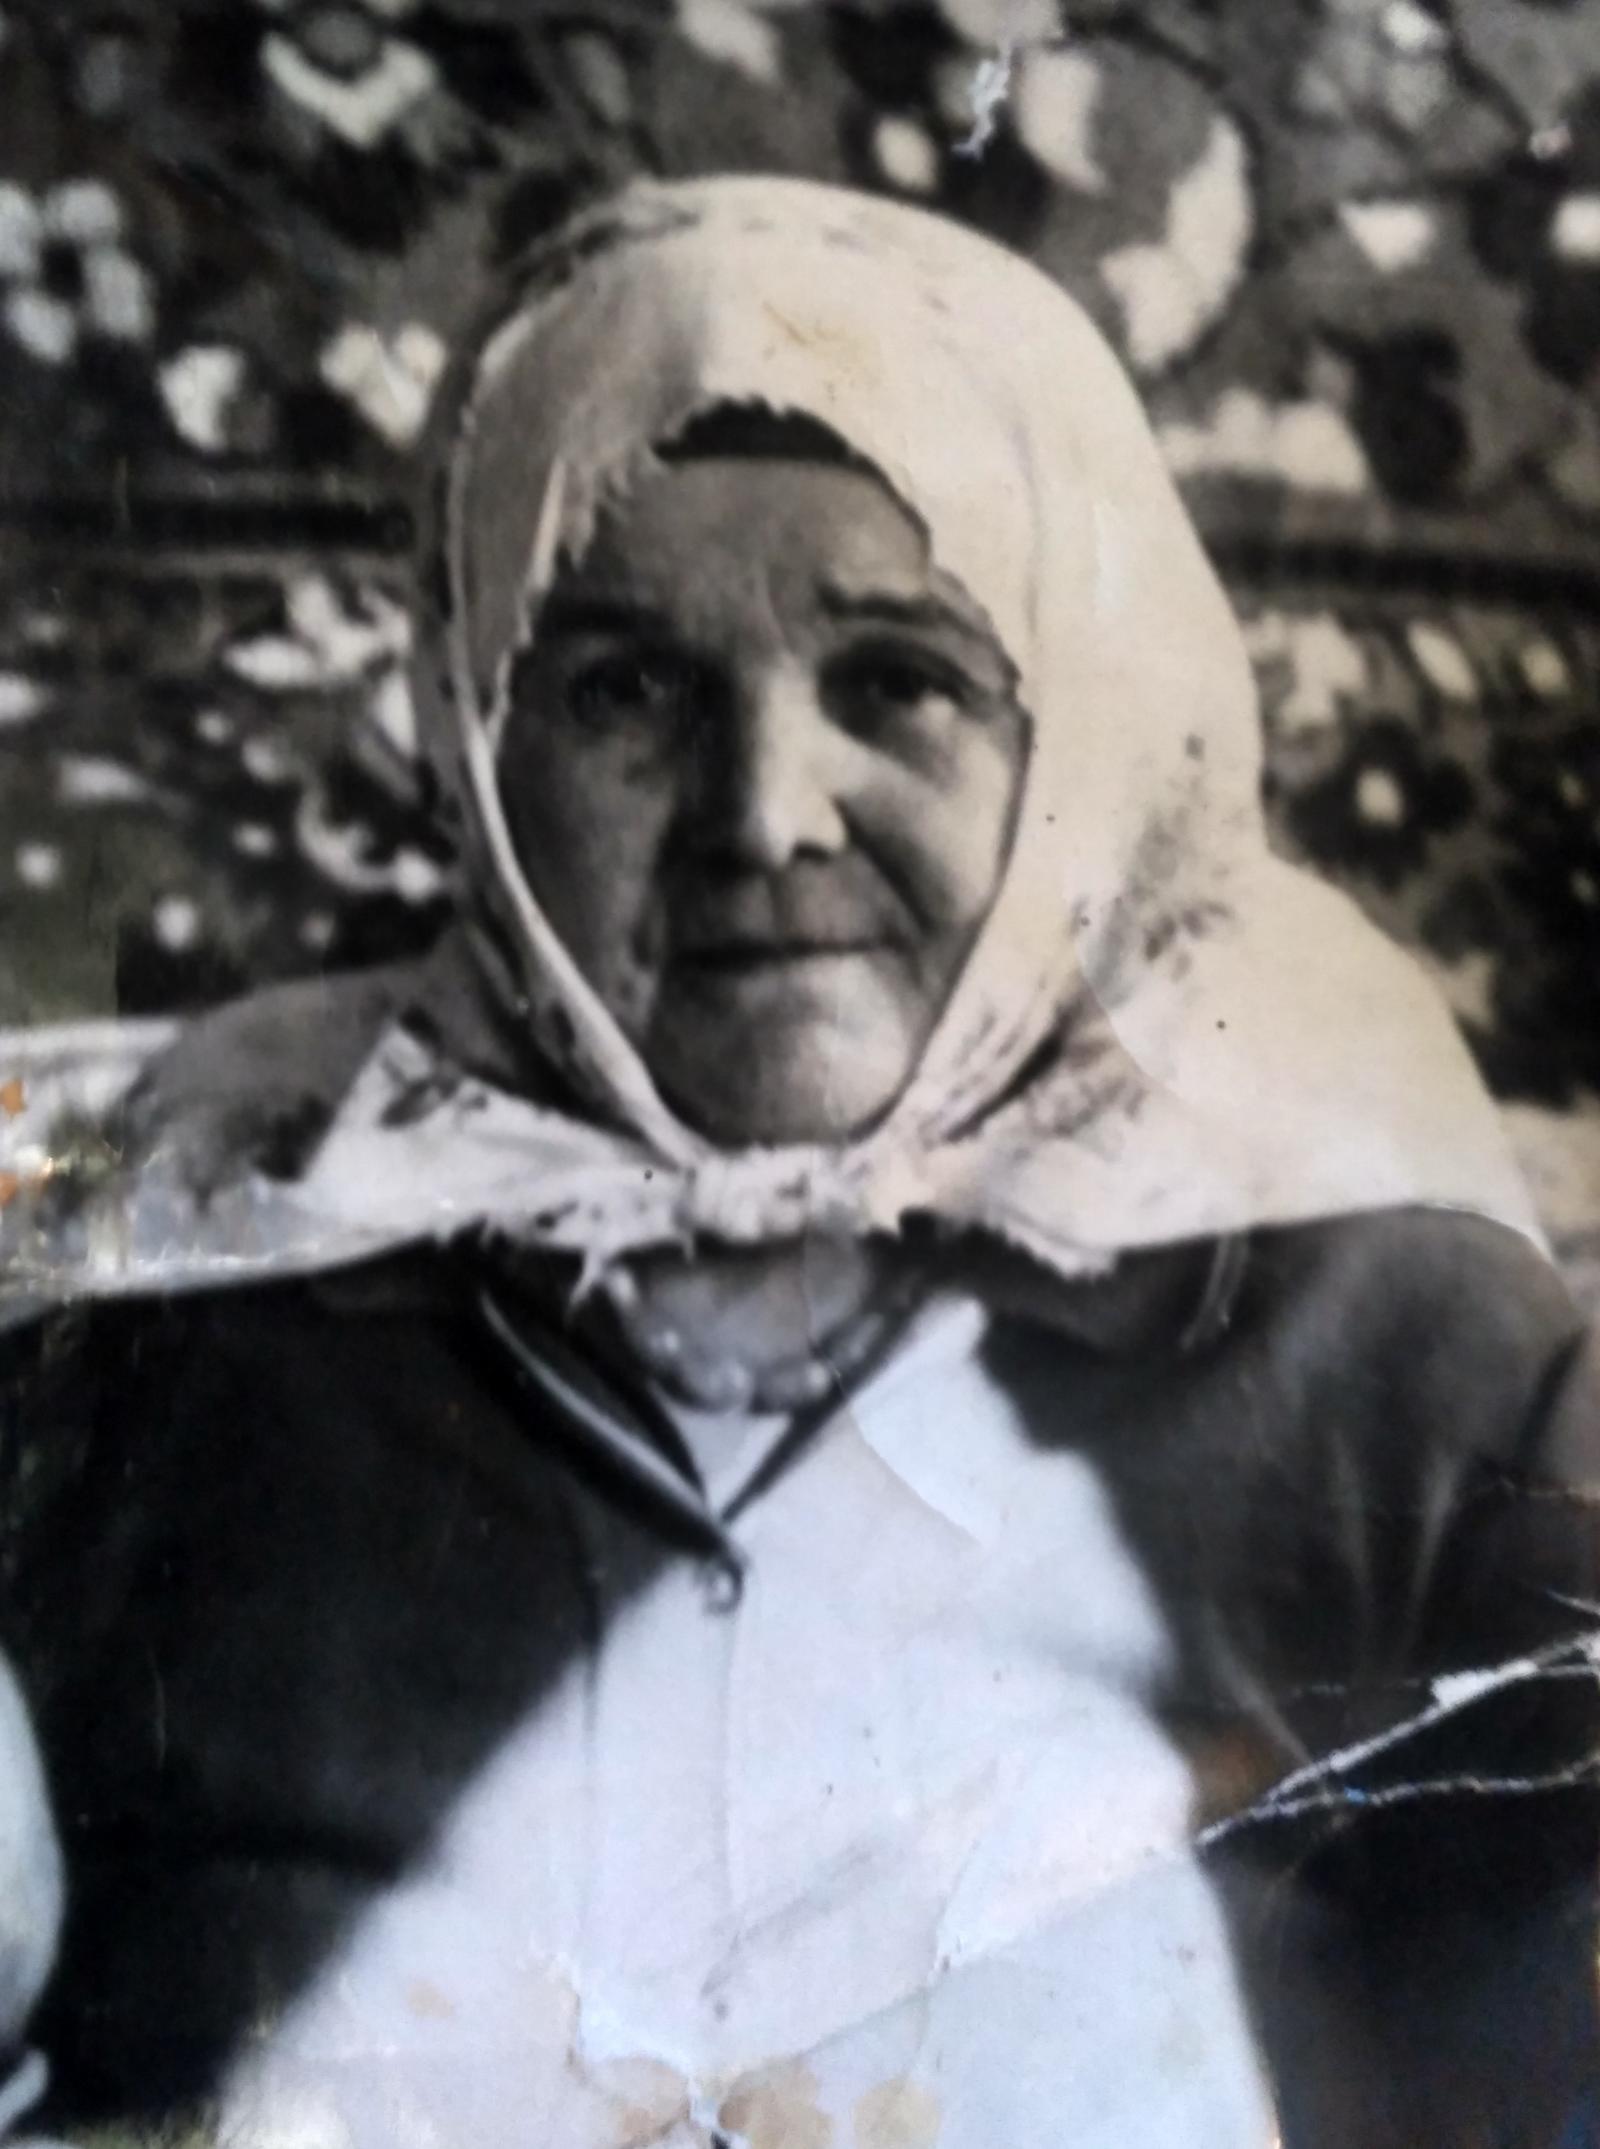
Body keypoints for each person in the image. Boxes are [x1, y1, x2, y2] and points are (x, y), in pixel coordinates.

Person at [0, 176, 1596, 2149]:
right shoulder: (183, 1298)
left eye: (896, 678)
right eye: (622, 689)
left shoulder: (1413, 1346)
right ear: (475, 739)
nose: (762, 812)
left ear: (1091, 722)